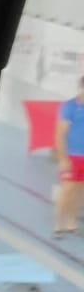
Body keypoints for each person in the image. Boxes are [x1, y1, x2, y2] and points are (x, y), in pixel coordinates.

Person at [53, 76, 84, 237]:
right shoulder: (70, 107)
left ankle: (72, 222)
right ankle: (59, 224)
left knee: (80, 191)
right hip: (72, 157)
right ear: (81, 88)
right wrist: (63, 159)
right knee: (68, 190)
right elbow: (60, 135)